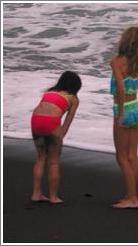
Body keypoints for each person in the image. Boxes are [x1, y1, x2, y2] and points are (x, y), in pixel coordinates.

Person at [31, 71, 82, 204]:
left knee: (41, 158)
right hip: (51, 122)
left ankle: (36, 194)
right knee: (54, 161)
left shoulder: (48, 93)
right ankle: (53, 197)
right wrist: (62, 134)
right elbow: (68, 120)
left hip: (35, 120)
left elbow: (42, 109)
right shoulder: (73, 99)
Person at [110, 26, 138, 209]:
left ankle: (132, 199)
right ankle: (131, 194)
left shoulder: (116, 61)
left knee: (121, 157)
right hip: (136, 109)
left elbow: (121, 88)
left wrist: (121, 112)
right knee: (132, 156)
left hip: (122, 108)